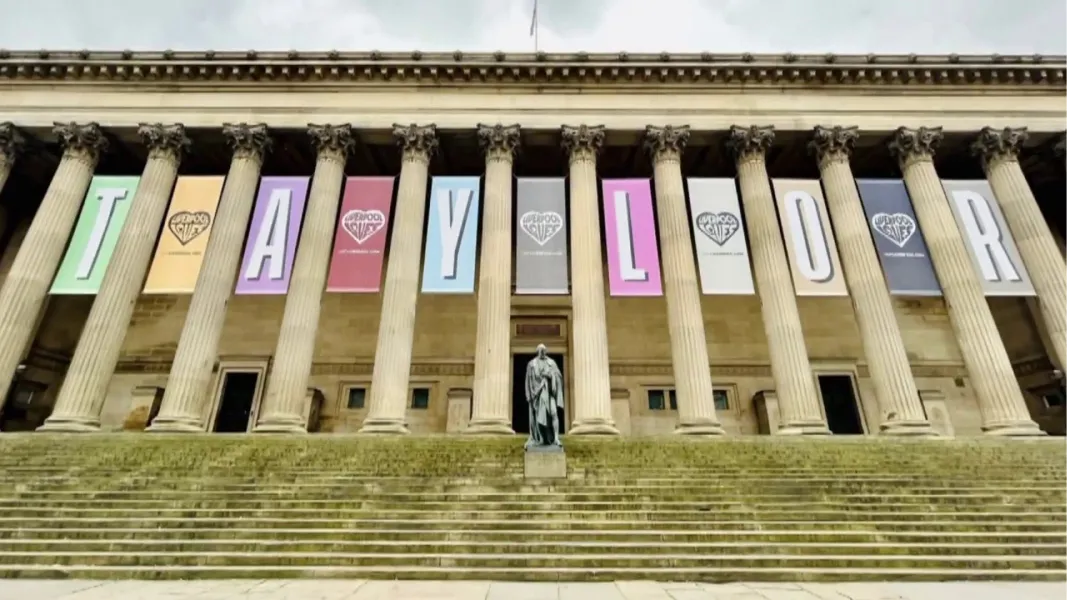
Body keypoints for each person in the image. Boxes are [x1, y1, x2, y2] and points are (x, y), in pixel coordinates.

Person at [524, 344, 564, 448]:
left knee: (554, 413)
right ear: (537, 351)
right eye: (540, 350)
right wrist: (529, 395)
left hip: (549, 393)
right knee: (538, 418)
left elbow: (558, 376)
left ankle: (556, 438)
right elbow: (527, 381)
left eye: (544, 350)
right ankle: (541, 439)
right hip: (537, 395)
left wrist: (551, 376)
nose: (542, 352)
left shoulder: (551, 363)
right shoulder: (532, 364)